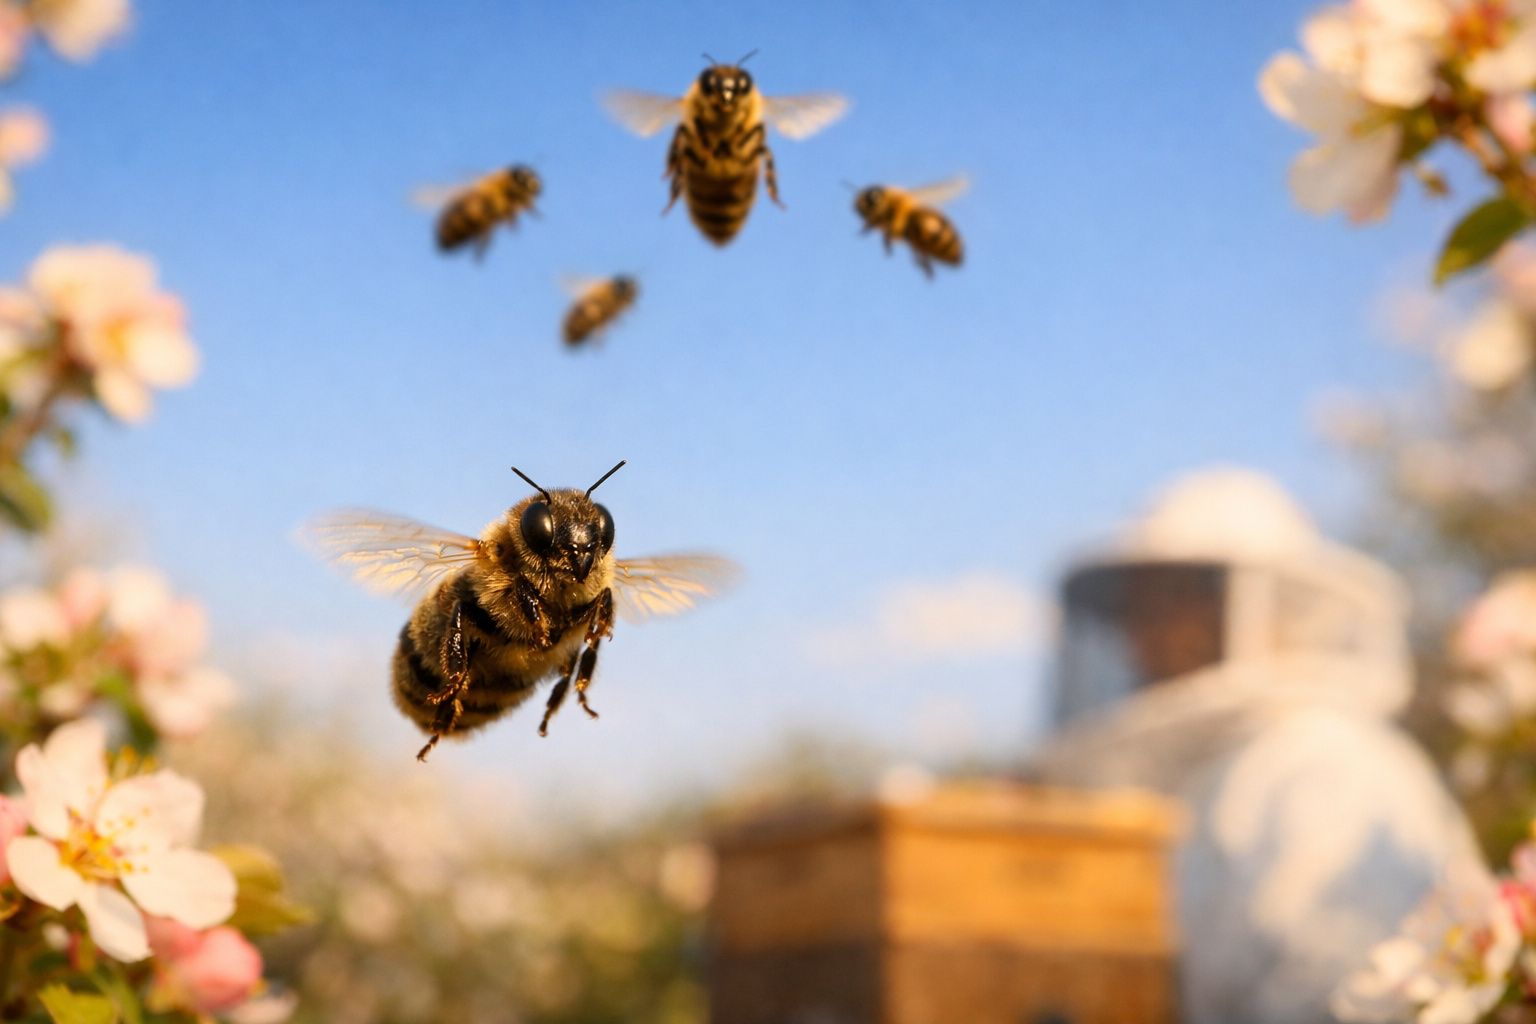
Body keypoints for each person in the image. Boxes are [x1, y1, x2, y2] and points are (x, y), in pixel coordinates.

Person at [1031, 468, 1485, 1024]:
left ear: (1240, 605)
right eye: (1132, 613)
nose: (1136, 639)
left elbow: (1343, 998)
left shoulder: (1325, 766)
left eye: (1161, 606)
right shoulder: (1225, 772)